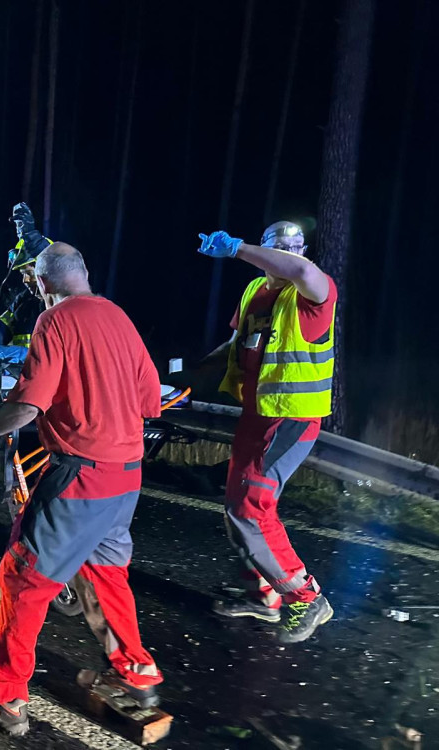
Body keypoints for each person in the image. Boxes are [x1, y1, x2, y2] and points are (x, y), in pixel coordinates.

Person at [0, 243, 163, 737]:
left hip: (81, 476)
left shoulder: (55, 323)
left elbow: (29, 404)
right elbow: (150, 399)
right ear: (85, 274)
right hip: (126, 475)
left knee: (23, 579)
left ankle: (1, 697)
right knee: (106, 574)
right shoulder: (118, 316)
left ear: (42, 285)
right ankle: (136, 675)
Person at [198, 221, 336, 644]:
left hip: (291, 418)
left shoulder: (313, 291)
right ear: (267, 249)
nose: (295, 253)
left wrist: (237, 247)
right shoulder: (255, 290)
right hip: (257, 415)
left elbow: (301, 272)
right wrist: (182, 375)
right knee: (236, 508)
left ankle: (306, 597)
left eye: (300, 246)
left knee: (251, 509)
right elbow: (238, 344)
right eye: (284, 246)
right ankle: (263, 596)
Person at [0, 203, 49, 348]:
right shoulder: (23, 302)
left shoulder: (64, 306)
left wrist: (34, 240)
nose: (25, 280)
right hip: (21, 371)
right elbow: (0, 329)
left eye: (29, 274)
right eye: (23, 274)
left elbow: (57, 264)